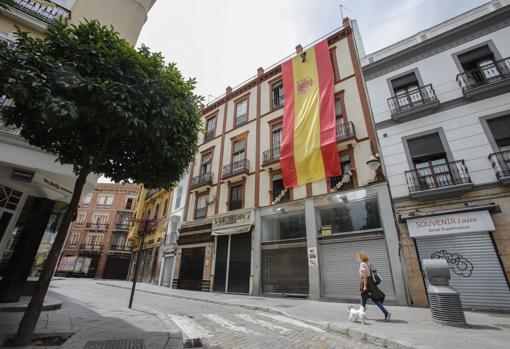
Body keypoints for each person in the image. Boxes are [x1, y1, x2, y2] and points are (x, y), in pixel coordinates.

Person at [357, 251, 391, 322]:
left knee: (375, 299)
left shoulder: (362, 264)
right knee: (363, 298)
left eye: (358, 257)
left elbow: (365, 276)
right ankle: (361, 314)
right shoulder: (368, 263)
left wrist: (365, 286)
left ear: (360, 257)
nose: (358, 259)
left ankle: (386, 313)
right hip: (371, 282)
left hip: (367, 283)